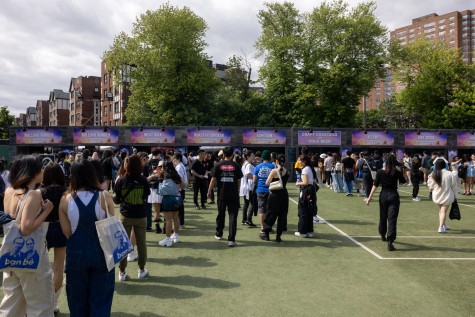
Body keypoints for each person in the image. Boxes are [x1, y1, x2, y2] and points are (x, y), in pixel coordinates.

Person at [58, 159, 115, 316]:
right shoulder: (104, 196)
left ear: (73, 176)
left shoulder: (65, 200)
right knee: (101, 299)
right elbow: (111, 225)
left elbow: (67, 233)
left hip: (76, 253)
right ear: (92, 174)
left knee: (77, 300)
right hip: (102, 253)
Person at [0, 155, 54, 316]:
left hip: (11, 253)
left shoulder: (9, 191)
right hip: (32, 255)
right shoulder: (34, 194)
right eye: (40, 168)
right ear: (34, 172)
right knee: (40, 306)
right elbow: (25, 228)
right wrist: (47, 211)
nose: (43, 170)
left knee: (11, 304)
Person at [113, 155, 151, 281]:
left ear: (127, 166)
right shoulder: (143, 180)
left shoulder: (121, 180)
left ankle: (122, 272)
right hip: (140, 215)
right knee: (141, 244)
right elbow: (146, 196)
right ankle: (141, 269)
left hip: (125, 216)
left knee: (123, 245)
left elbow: (117, 200)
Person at [41, 162, 68, 313]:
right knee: (59, 267)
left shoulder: (41, 191)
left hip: (42, 228)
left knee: (40, 267)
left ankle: (41, 302)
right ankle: (54, 304)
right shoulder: (66, 191)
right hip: (61, 227)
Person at [365, 154, 406, 251]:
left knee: (383, 217)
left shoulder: (380, 172)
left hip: (383, 195)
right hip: (394, 195)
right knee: (392, 219)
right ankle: (390, 241)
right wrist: (402, 170)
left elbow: (375, 185)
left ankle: (382, 233)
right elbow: (403, 181)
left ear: (385, 162)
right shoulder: (396, 172)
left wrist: (369, 198)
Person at [208, 147, 243, 247]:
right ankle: (231, 239)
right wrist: (237, 188)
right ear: (232, 155)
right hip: (233, 195)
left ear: (223, 154)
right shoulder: (236, 165)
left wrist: (209, 190)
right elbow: (239, 181)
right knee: (233, 217)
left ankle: (219, 234)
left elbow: (213, 179)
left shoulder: (218, 165)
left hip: (222, 194)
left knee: (221, 215)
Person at [261, 154, 289, 242]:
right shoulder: (286, 171)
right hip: (284, 194)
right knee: (282, 215)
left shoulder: (274, 171)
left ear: (276, 161)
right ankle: (278, 236)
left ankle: (266, 234)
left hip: (274, 195)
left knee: (271, 214)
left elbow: (267, 182)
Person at [428, 159, 458, 233]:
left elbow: (430, 186)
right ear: (445, 165)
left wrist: (431, 192)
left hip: (437, 195)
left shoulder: (433, 174)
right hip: (447, 196)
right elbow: (454, 186)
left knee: (441, 211)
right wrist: (455, 196)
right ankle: (441, 227)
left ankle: (443, 224)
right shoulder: (449, 174)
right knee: (443, 211)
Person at [158, 162, 183, 247]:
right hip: (177, 199)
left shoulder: (167, 176)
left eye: (162, 167)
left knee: (168, 220)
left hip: (168, 199)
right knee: (175, 217)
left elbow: (162, 190)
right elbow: (181, 186)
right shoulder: (176, 175)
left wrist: (159, 182)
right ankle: (176, 235)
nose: (161, 169)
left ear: (165, 168)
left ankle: (168, 239)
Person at [253, 150, 275, 230]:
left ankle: (263, 227)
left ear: (262, 157)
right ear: (270, 157)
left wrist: (259, 184)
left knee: (262, 209)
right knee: (270, 209)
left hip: (260, 190)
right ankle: (269, 226)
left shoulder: (257, 167)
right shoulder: (273, 166)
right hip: (271, 190)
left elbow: (254, 180)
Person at [295, 155, 316, 238]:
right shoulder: (309, 168)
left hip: (306, 191)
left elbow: (305, 182)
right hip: (310, 191)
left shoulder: (305, 169)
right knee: (308, 211)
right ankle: (309, 231)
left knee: (303, 211)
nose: (299, 162)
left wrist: (298, 183)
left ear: (304, 161)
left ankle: (303, 231)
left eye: (300, 160)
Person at [239, 150, 257, 227]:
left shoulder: (245, 164)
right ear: (248, 157)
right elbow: (248, 175)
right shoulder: (248, 165)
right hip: (249, 186)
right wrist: (256, 179)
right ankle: (249, 220)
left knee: (246, 204)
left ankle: (244, 219)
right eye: (252, 155)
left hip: (245, 186)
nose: (253, 157)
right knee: (252, 203)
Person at [172, 152, 188, 228]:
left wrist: (177, 189)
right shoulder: (180, 166)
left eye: (174, 158)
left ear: (178, 159)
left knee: (179, 208)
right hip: (181, 188)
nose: (173, 160)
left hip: (179, 189)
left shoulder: (179, 167)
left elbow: (179, 179)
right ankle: (181, 223)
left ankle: (180, 223)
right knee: (180, 207)